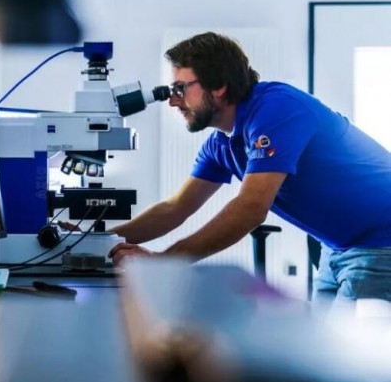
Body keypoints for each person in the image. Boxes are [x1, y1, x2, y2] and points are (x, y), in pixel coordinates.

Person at [106, 31, 391, 303]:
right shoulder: (221, 144)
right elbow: (175, 208)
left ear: (219, 86)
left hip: (381, 243)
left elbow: (251, 208)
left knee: (352, 339)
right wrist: (101, 243)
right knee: (326, 337)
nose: (172, 101)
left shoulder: (276, 109)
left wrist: (163, 263)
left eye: (181, 88)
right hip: (338, 246)